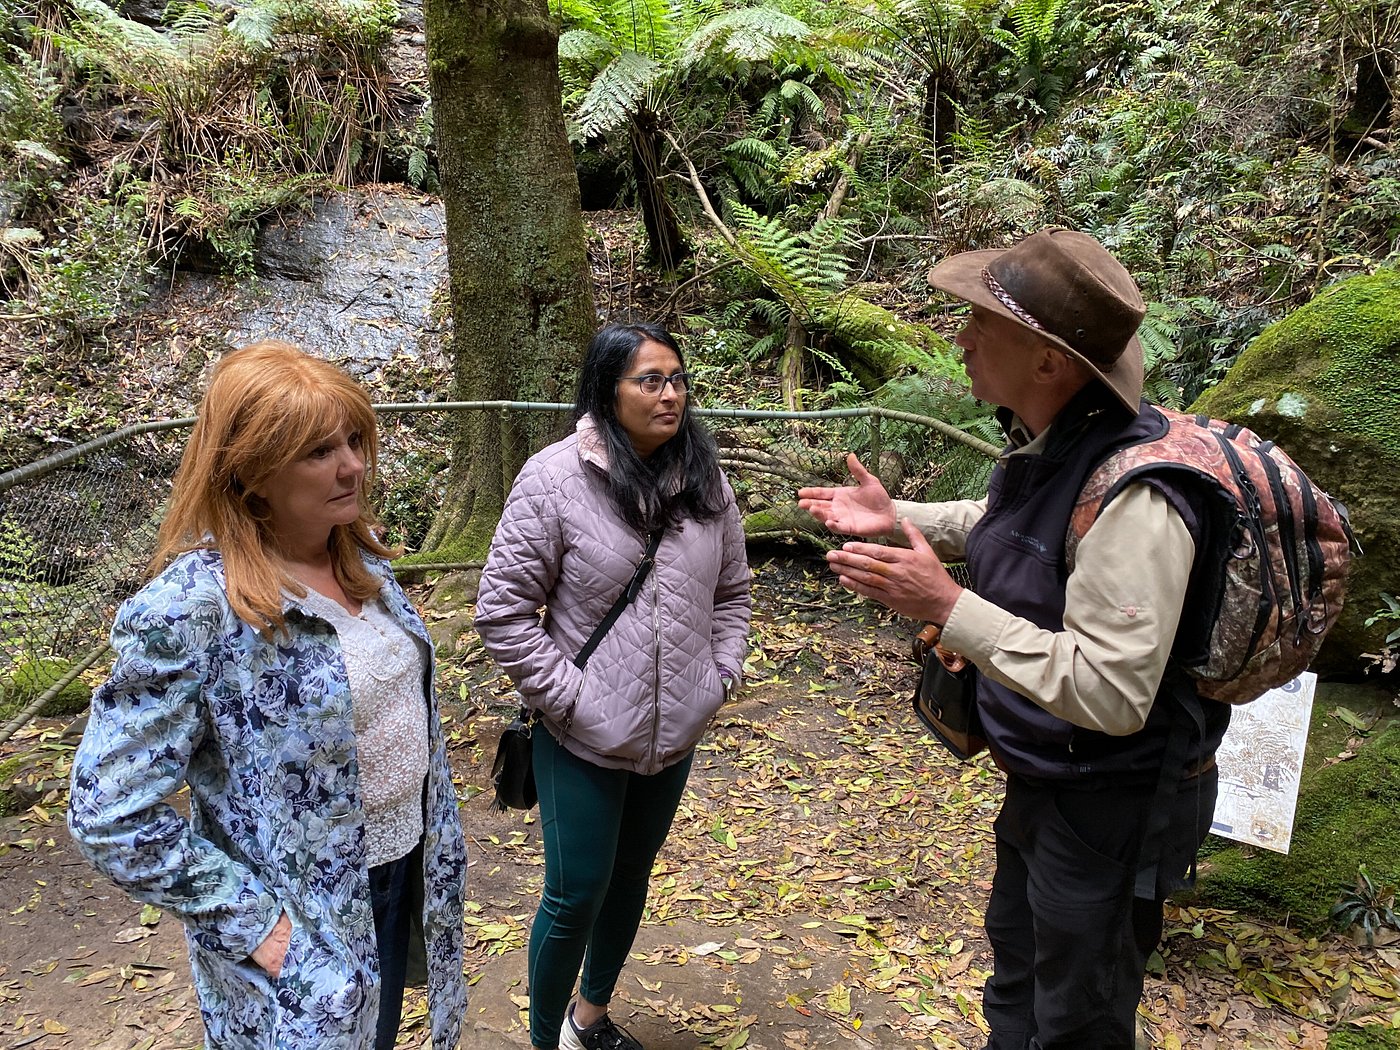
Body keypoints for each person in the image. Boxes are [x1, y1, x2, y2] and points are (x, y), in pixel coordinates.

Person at [798, 228, 1232, 1050]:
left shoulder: (1137, 497)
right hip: (1047, 783)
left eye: (980, 325)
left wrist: (950, 604)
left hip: (1114, 804)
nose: (959, 339)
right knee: (1019, 985)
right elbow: (1019, 532)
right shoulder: (1059, 448)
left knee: (1078, 1018)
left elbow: (1110, 691)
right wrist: (901, 520)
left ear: (1047, 363)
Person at [67, 340, 467, 1050]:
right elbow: (109, 810)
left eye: (353, 439)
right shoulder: (193, 609)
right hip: (299, 917)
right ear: (251, 473)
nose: (353, 465)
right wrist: (256, 926)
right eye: (319, 452)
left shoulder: (364, 556)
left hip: (401, 869)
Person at [475, 322, 751, 1050]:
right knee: (575, 895)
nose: (670, 395)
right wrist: (568, 699)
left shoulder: (706, 480)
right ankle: (542, 1039)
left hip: (674, 733)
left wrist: (716, 679)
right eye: (649, 381)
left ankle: (588, 1019)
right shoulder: (555, 479)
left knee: (631, 876)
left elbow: (732, 594)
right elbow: (503, 612)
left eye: (678, 379)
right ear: (608, 390)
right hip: (581, 736)